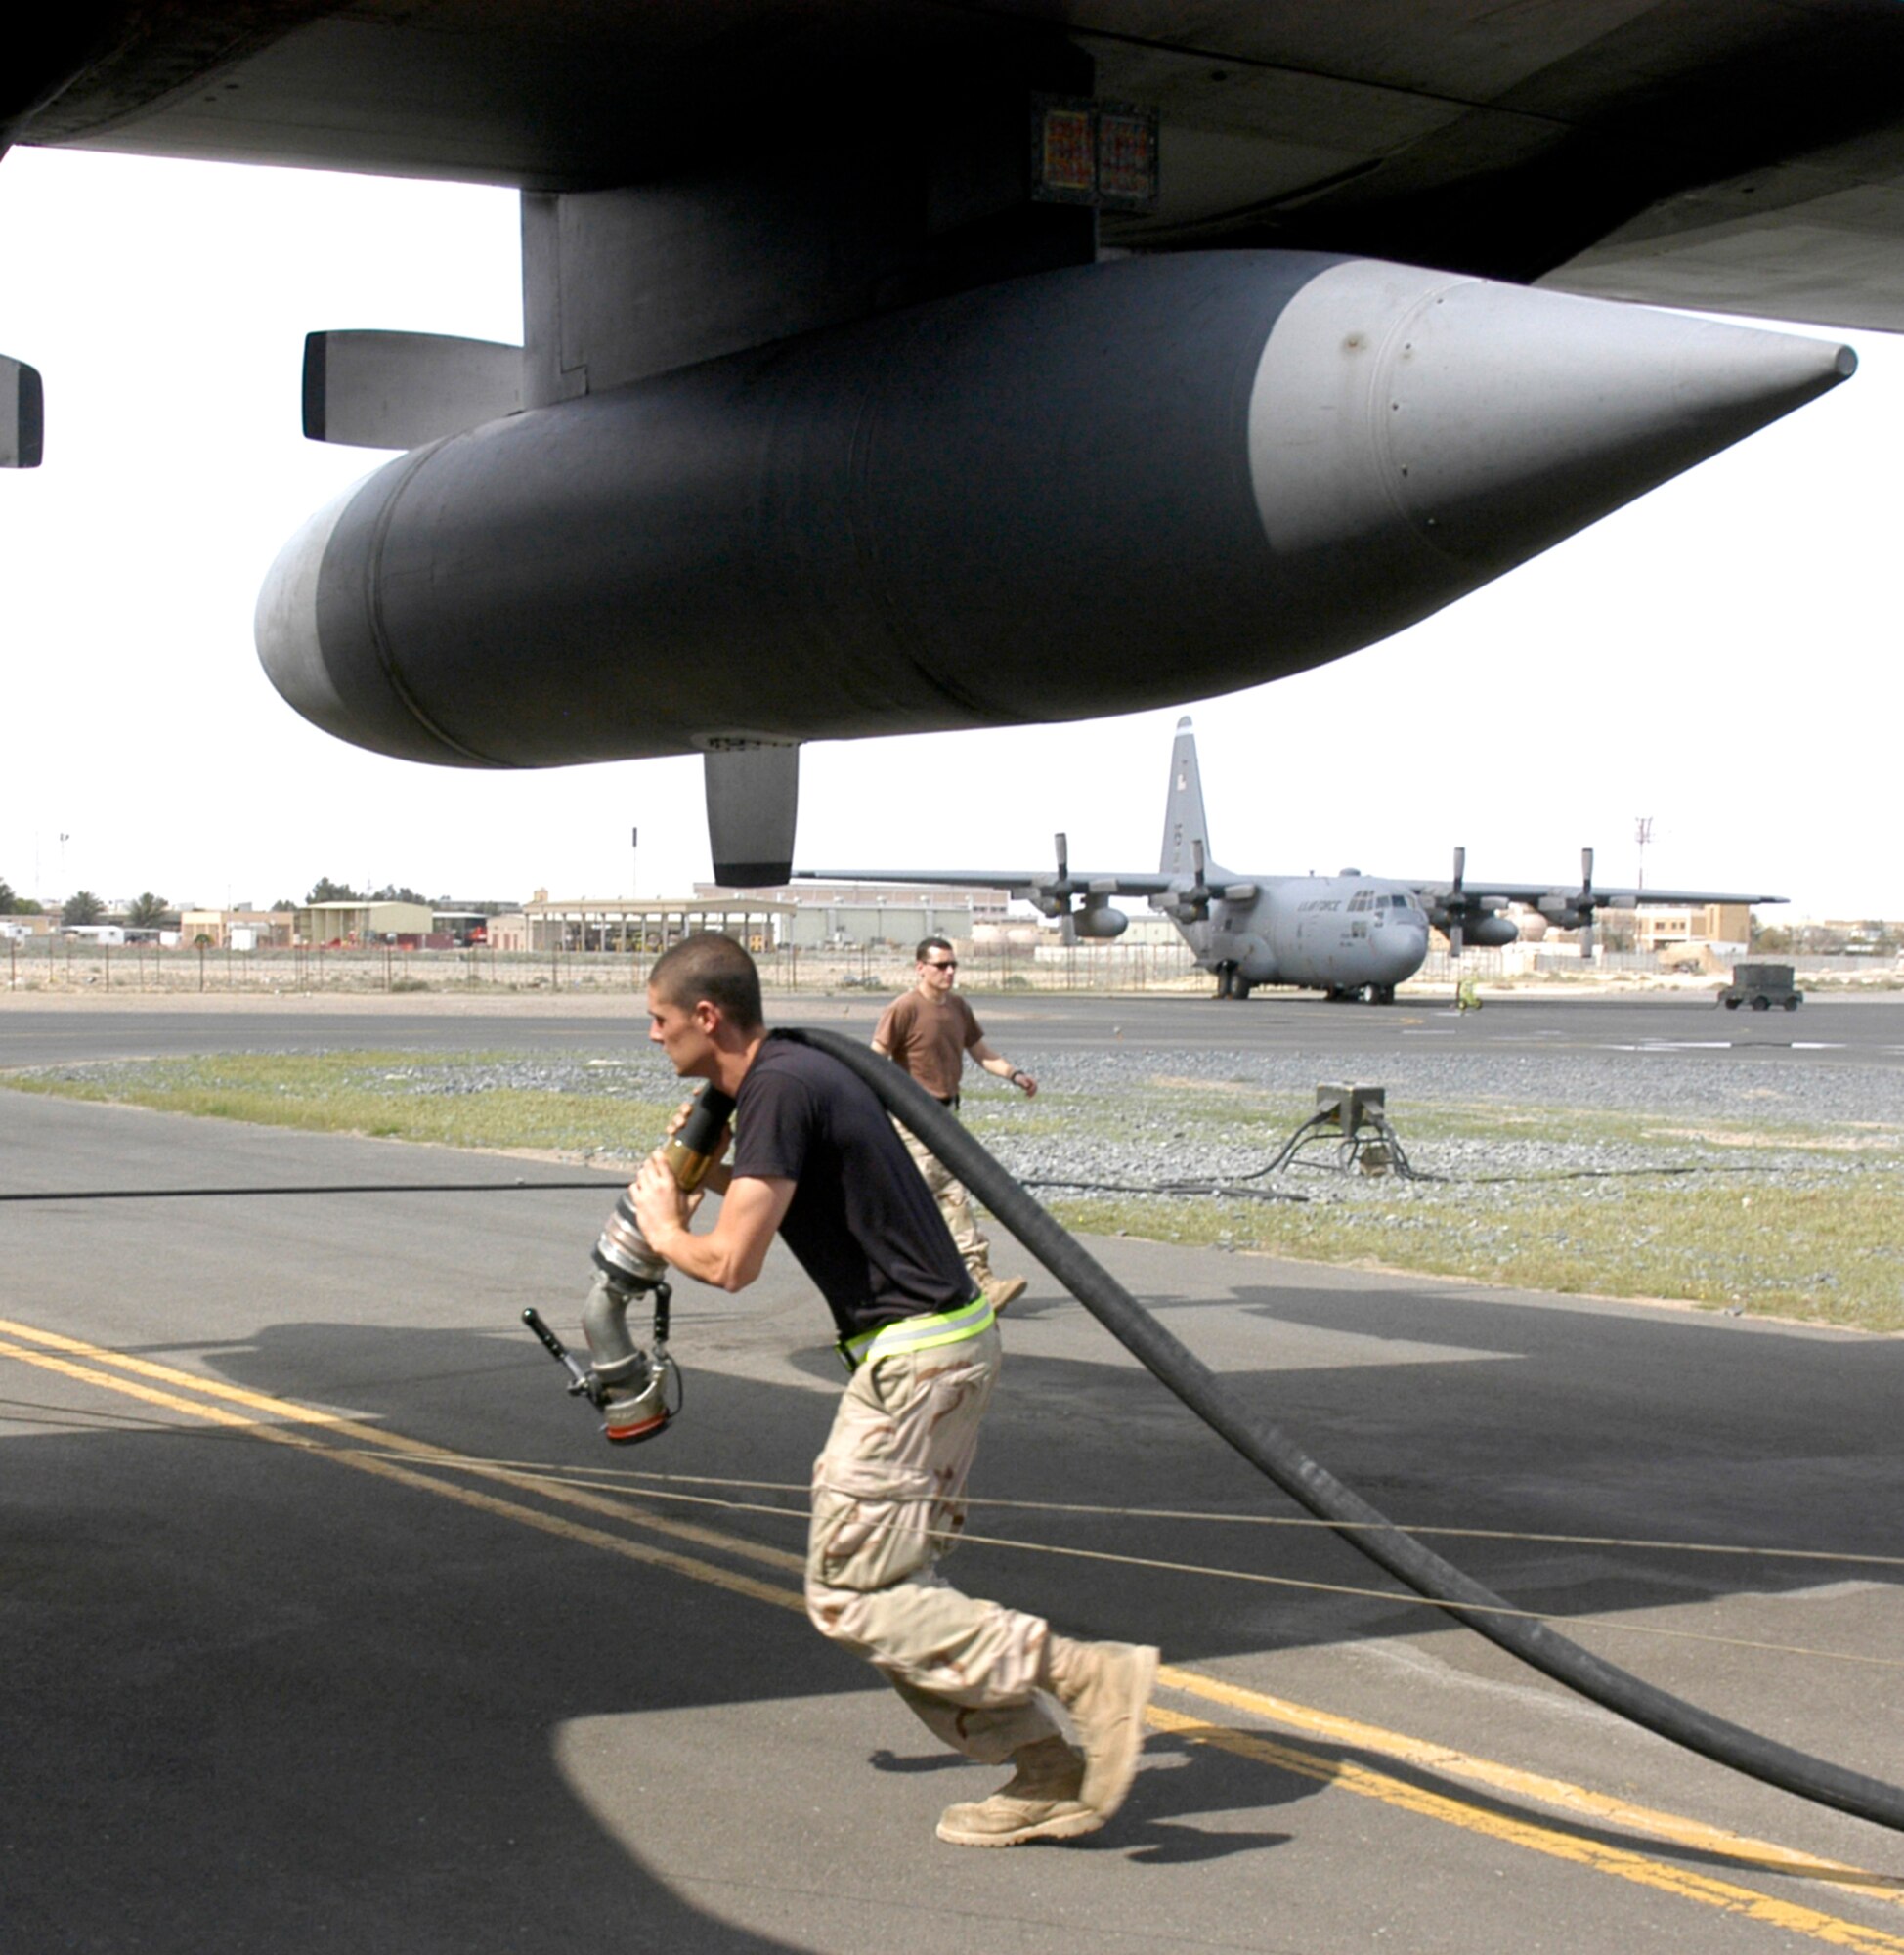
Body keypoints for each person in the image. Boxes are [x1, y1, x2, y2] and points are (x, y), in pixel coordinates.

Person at [630, 933, 1157, 1847]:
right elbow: (793, 1195)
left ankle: (1079, 1674)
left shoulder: (781, 1087)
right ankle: (1043, 1771)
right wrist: (703, 1172)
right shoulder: (786, 1079)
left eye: (659, 1021)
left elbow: (731, 1263)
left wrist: (663, 1224)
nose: (653, 1038)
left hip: (917, 1364)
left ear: (705, 1017)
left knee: (851, 1594)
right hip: (941, 1351)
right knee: (893, 1589)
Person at [873, 936, 1037, 1314]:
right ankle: (976, 1284)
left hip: (946, 1117)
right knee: (947, 1197)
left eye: (952, 965)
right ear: (920, 968)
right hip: (913, 1120)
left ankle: (932, 1286)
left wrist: (1015, 1075)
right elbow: (876, 1058)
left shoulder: (959, 1009)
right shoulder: (904, 1009)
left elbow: (982, 1053)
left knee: (927, 1204)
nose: (949, 972)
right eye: (941, 965)